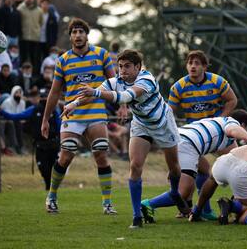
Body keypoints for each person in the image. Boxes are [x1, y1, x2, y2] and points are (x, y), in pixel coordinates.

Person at [62, 49, 189, 228]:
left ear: (138, 67)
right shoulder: (117, 81)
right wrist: (73, 104)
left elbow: (124, 97)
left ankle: (175, 193)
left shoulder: (147, 80)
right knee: (135, 166)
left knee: (174, 168)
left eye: (127, 66)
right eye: (120, 66)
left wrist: (95, 93)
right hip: (141, 124)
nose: (122, 70)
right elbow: (93, 94)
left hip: (163, 124)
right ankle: (137, 216)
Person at [40, 17, 117, 216]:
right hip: (72, 113)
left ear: (86, 34)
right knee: (67, 154)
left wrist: (123, 106)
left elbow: (114, 82)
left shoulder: (101, 54)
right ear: (71, 36)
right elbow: (55, 92)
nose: (78, 35)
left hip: (96, 111)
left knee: (100, 152)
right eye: (74, 32)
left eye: (81, 31)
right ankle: (52, 196)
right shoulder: (63, 60)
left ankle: (107, 203)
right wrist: (46, 118)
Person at [140, 110, 247, 224]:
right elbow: (233, 130)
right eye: (245, 129)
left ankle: (205, 210)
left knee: (205, 170)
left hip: (179, 138)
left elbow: (236, 159)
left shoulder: (223, 133)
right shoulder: (230, 122)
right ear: (242, 124)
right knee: (182, 192)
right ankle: (148, 204)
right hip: (187, 144)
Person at [168, 50, 238, 219]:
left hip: (216, 133)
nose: (193, 66)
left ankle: (240, 201)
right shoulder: (178, 87)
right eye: (190, 63)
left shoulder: (217, 81)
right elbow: (169, 112)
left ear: (205, 66)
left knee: (238, 161)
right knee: (198, 172)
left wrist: (220, 120)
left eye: (197, 63)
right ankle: (194, 208)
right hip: (194, 138)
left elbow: (232, 100)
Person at [1, 88, 60, 190]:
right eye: (42, 97)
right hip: (40, 145)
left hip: (53, 145)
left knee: (53, 168)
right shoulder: (34, 110)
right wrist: (1, 111)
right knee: (44, 169)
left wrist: (62, 141)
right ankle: (48, 186)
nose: (44, 99)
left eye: (46, 97)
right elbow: (15, 116)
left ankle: (52, 187)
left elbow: (60, 126)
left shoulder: (54, 111)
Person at [18, 0, 42, 74]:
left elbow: (40, 22)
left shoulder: (39, 10)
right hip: (23, 38)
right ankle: (22, 74)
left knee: (34, 59)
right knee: (23, 58)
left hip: (35, 38)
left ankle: (34, 75)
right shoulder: (20, 8)